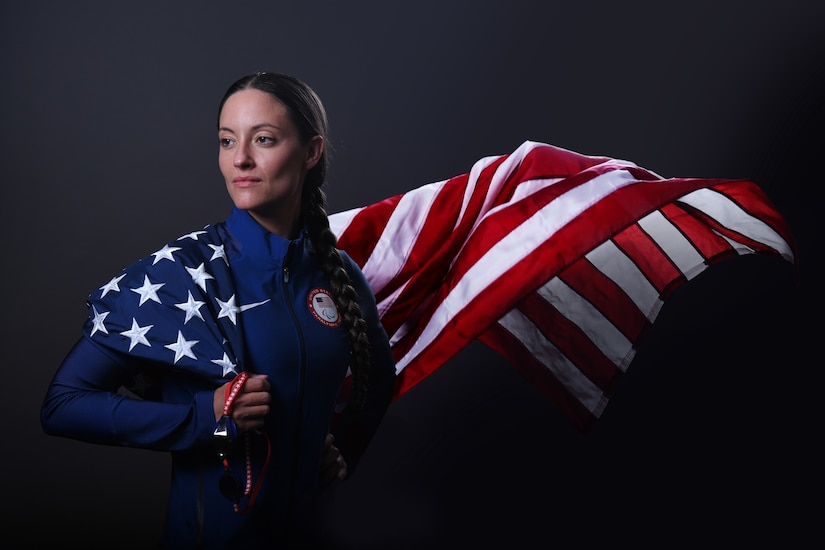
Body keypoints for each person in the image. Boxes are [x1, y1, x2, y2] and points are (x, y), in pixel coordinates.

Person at [41, 72, 397, 549]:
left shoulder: (338, 274)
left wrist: (339, 450)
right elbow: (63, 404)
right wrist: (202, 415)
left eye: (263, 139)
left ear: (311, 152)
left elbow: (378, 380)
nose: (241, 159)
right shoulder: (180, 274)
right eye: (227, 141)